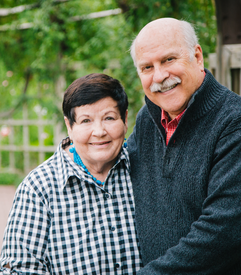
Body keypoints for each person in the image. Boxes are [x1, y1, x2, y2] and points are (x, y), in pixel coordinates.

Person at [128, 17, 241, 274]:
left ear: (197, 56)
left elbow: (224, 235)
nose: (159, 76)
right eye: (147, 67)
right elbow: (112, 164)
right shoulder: (147, 121)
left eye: (169, 60)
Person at [0, 73, 142, 274]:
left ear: (125, 119)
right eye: (86, 121)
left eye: (109, 118)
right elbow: (21, 269)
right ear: (69, 126)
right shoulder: (39, 188)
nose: (99, 131)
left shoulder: (144, 168)